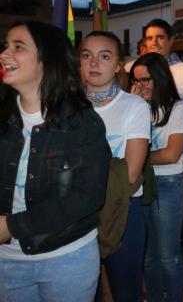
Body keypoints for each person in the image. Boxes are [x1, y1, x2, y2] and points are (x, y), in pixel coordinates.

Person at [0, 21, 110, 301]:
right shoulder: (4, 120)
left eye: (18, 47)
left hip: (66, 258)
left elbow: (86, 197)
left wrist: (11, 226)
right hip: (7, 261)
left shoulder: (82, 123)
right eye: (5, 46)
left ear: (45, 59)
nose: (4, 54)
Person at [79, 31, 150, 301]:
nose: (94, 63)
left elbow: (131, 173)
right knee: (86, 291)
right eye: (87, 56)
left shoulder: (134, 106)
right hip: (76, 214)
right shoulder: (67, 106)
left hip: (123, 209)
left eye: (104, 56)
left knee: (126, 289)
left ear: (119, 65)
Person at [143, 18, 183, 271]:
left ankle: (177, 269)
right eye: (149, 38)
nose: (154, 42)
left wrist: (179, 122)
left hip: (176, 159)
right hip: (146, 159)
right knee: (150, 225)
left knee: (173, 222)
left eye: (160, 37)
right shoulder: (140, 70)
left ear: (170, 41)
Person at [131, 52, 183, 302]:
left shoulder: (177, 108)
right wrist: (131, 106)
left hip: (167, 185)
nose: (139, 86)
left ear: (160, 78)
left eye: (145, 80)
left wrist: (136, 157)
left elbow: (171, 154)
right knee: (147, 256)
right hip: (141, 185)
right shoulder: (136, 108)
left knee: (168, 256)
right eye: (135, 81)